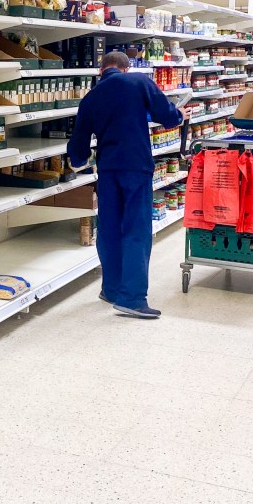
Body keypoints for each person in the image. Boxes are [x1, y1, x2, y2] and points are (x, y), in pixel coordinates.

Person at [67, 51, 184, 319]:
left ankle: (111, 288)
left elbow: (78, 146)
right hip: (135, 166)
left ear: (101, 71)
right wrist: (179, 116)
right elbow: (166, 115)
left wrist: (78, 160)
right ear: (125, 68)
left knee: (108, 228)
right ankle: (131, 298)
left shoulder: (90, 98)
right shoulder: (138, 82)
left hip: (107, 170)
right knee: (136, 229)